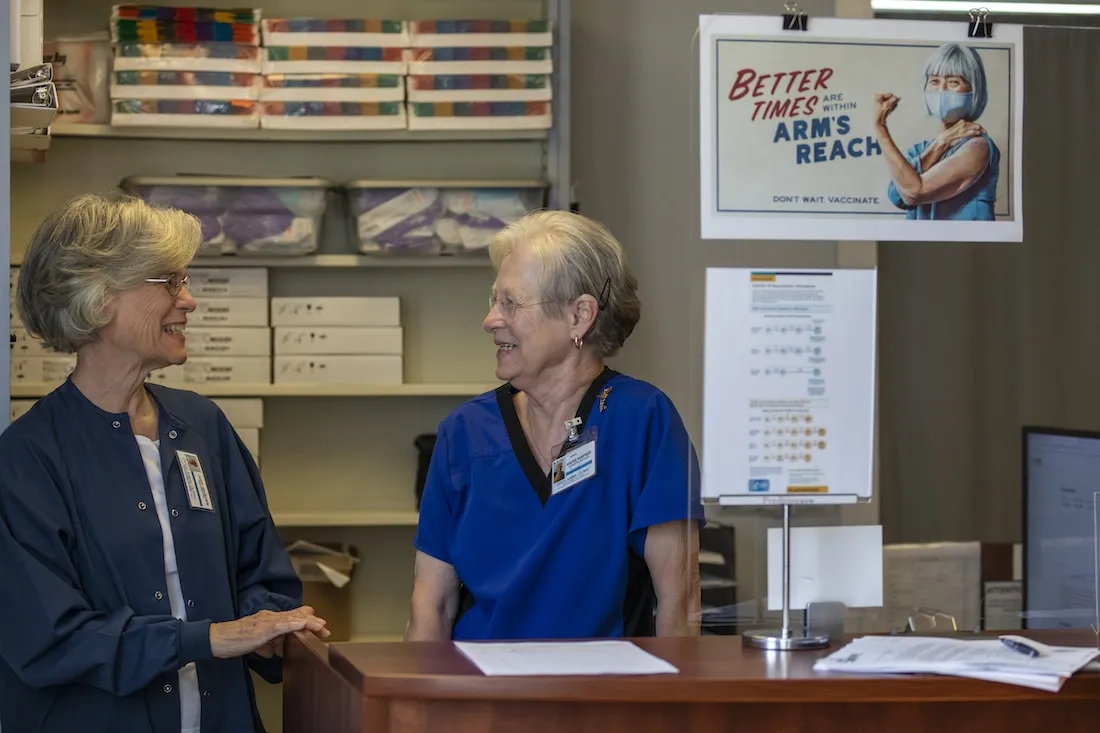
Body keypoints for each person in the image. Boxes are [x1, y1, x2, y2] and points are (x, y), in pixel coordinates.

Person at [0, 193, 329, 733]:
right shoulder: (28, 457)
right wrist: (211, 638)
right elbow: (49, 639)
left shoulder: (203, 427)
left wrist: (273, 627)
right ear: (98, 297)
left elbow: (260, 571)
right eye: (169, 281)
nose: (189, 300)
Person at [405, 210, 704, 641]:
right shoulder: (464, 433)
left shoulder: (642, 422)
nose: (490, 320)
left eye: (510, 302)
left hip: (602, 698)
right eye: (494, 301)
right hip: (479, 697)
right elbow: (429, 607)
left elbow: (680, 602)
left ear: (579, 316)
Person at [874, 43, 1000, 221]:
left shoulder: (978, 147)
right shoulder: (921, 149)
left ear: (974, 89)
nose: (942, 89)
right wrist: (942, 143)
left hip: (968, 247)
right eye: (934, 81)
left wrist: (880, 127)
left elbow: (913, 193)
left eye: (954, 81)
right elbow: (897, 195)